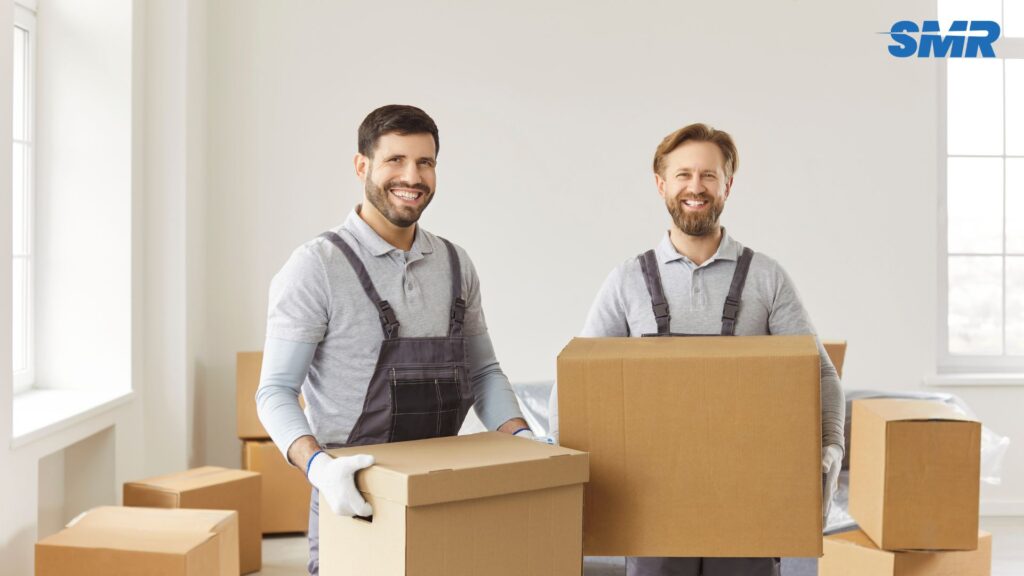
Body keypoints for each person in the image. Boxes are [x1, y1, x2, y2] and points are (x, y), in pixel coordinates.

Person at [550, 123, 845, 576]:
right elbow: (578, 379)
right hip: (649, 510)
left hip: (750, 505)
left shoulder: (766, 278)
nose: (696, 187)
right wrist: (566, 467)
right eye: (683, 174)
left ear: (728, 185)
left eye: (709, 175)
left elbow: (819, 372)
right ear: (661, 184)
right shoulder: (627, 281)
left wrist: (831, 445)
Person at [255, 105, 538, 575]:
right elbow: (275, 391)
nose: (412, 176)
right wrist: (320, 468)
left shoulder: (455, 263)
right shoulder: (316, 266)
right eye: (396, 160)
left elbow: (484, 373)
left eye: (425, 162)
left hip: (444, 496)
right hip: (355, 500)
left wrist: (523, 438)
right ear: (361, 165)